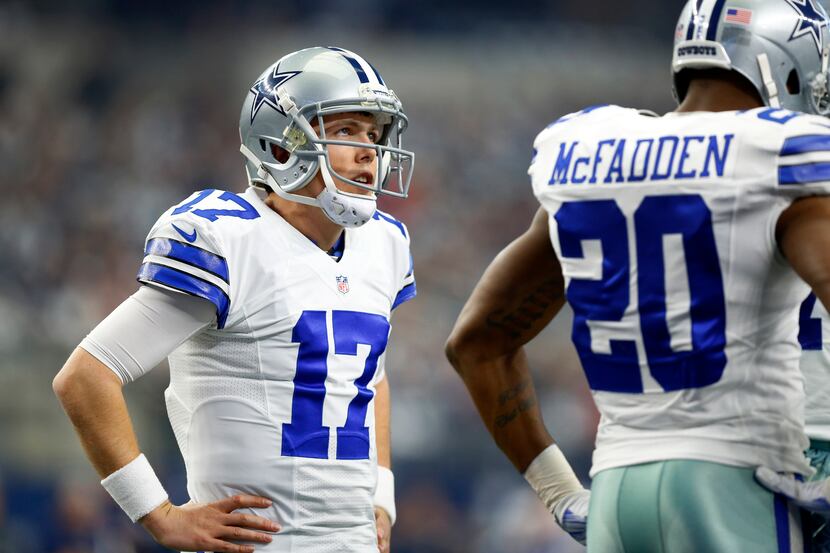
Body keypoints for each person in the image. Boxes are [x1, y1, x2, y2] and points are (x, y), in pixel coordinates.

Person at [445, 0, 830, 551]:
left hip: (619, 488)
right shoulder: (780, 154)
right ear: (788, 65)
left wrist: (559, 494)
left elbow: (476, 341)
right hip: (742, 475)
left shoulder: (589, 151)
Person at [53, 46, 416, 553]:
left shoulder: (385, 243)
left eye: (373, 135)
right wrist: (159, 515)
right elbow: (86, 377)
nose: (369, 152)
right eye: (346, 131)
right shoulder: (226, 238)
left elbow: (369, 375)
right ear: (283, 145)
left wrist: (383, 494)